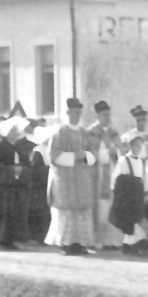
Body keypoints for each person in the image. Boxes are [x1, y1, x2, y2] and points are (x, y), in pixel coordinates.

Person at [44, 98, 96, 256]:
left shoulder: (84, 133)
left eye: (79, 113)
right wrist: (74, 156)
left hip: (81, 178)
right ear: (68, 113)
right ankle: (66, 243)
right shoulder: (60, 132)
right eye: (75, 113)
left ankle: (80, 243)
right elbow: (53, 156)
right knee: (66, 211)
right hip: (65, 179)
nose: (77, 116)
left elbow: (92, 154)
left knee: (81, 211)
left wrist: (85, 156)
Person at [0, 117, 32, 251]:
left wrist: (22, 170)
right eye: (12, 130)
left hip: (16, 185)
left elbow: (26, 162)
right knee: (4, 213)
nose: (15, 133)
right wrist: (11, 170)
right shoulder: (1, 145)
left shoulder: (18, 146)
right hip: (4, 186)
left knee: (14, 212)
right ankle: (3, 239)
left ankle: (11, 239)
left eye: (16, 130)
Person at [87, 100, 124, 249]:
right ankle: (97, 240)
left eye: (109, 114)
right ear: (97, 115)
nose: (107, 117)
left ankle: (111, 241)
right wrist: (107, 153)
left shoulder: (114, 133)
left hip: (112, 173)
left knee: (111, 207)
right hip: (97, 175)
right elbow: (89, 154)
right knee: (99, 208)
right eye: (104, 115)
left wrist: (117, 152)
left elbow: (121, 152)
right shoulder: (91, 133)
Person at [110, 133, 148, 256]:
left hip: (137, 194)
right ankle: (138, 243)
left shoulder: (140, 161)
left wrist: (145, 193)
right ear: (130, 146)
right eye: (135, 145)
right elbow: (116, 178)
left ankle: (128, 245)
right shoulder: (124, 160)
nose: (138, 148)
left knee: (135, 219)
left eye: (140, 145)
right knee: (130, 220)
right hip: (127, 194)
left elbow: (142, 177)